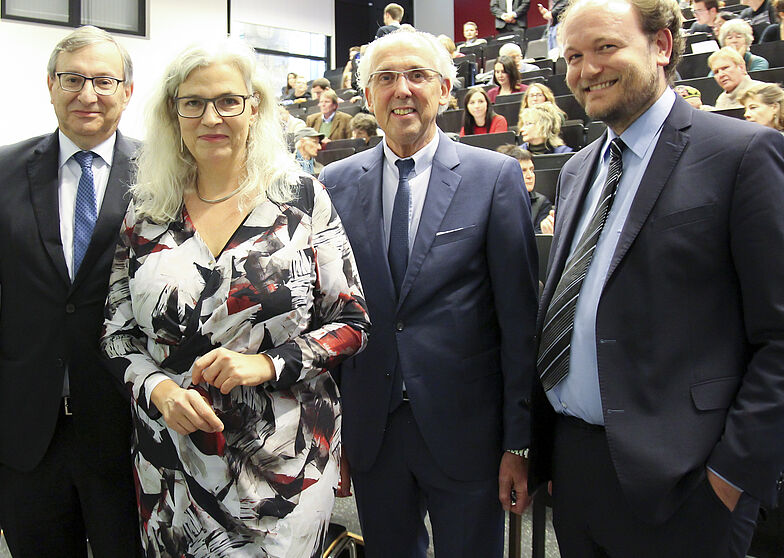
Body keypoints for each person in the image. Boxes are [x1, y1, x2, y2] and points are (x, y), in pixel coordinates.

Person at [532, 0, 784, 556]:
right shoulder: (577, 170)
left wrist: (729, 476)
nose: (585, 70)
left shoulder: (741, 153)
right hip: (577, 471)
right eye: (573, 56)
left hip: (687, 482)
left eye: (605, 47)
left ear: (663, 46)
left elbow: (779, 337)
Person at [101, 38, 370, 556]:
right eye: (193, 103)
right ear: (173, 116)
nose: (211, 117)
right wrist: (157, 389)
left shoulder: (302, 199)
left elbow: (354, 322)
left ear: (254, 108)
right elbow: (116, 334)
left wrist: (267, 365)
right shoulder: (146, 212)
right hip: (172, 462)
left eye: (228, 100)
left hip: (283, 465)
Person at [320, 27, 538, 558]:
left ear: (444, 88)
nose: (402, 89)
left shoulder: (495, 177)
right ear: (367, 94)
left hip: (468, 433)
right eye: (386, 78)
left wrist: (519, 441)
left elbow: (518, 322)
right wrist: (337, 436)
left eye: (417, 75)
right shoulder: (333, 182)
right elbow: (328, 314)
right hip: (374, 432)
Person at [0, 26, 140, 558]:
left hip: (127, 429)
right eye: (72, 79)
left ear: (127, 91)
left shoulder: (165, 171)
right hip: (26, 434)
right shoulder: (0, 170)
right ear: (50, 85)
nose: (87, 94)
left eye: (103, 81)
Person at [497, 145, 555, 233]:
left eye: (531, 170)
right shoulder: (493, 202)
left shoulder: (542, 203)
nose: (530, 176)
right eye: (523, 170)